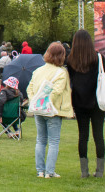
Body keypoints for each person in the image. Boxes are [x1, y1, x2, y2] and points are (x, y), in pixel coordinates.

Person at [26, 42, 73, 178]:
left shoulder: (38, 71)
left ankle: (40, 170)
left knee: (40, 140)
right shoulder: (62, 72)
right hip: (52, 110)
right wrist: (47, 103)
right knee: (53, 141)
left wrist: (35, 101)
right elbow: (57, 91)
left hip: (38, 110)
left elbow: (30, 88)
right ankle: (49, 172)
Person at [66, 29, 105, 178]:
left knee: (83, 136)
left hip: (79, 101)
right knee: (99, 135)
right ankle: (100, 170)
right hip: (97, 101)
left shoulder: (70, 60)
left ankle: (84, 171)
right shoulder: (98, 57)